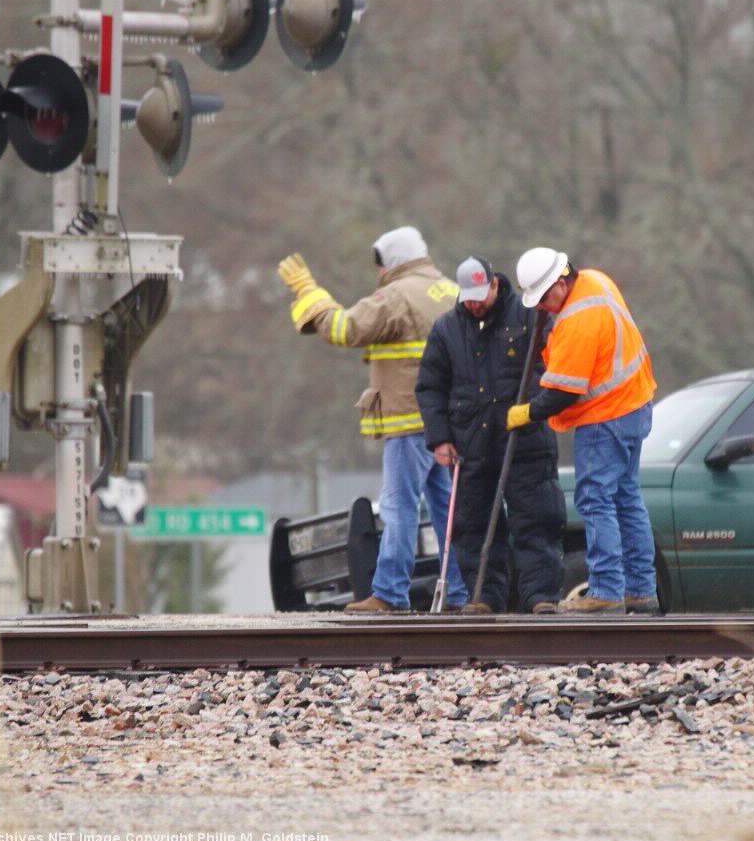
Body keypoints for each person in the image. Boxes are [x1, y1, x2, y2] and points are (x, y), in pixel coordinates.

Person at [277, 225, 470, 613]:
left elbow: (345, 329)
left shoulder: (397, 295)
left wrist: (308, 292)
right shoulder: (451, 291)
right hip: (446, 425)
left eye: (381, 264)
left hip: (407, 420)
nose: (379, 273)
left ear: (393, 261)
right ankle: (461, 595)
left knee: (398, 508)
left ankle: (389, 594)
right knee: (449, 513)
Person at [507, 248, 658, 615]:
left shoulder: (577, 320)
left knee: (594, 499)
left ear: (561, 282)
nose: (542, 307)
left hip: (604, 416)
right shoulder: (595, 281)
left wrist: (527, 412)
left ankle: (606, 589)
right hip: (635, 404)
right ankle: (641, 590)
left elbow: (561, 392)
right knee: (626, 500)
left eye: (544, 298)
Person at [416, 256, 566, 614]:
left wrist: (534, 406)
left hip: (526, 443)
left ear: (497, 285)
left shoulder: (530, 316)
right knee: (473, 526)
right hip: (470, 446)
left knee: (537, 520)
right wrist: (439, 438)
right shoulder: (446, 329)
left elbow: (552, 368)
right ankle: (483, 596)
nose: (474, 303)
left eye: (481, 295)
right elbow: (430, 387)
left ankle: (540, 598)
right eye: (468, 296)